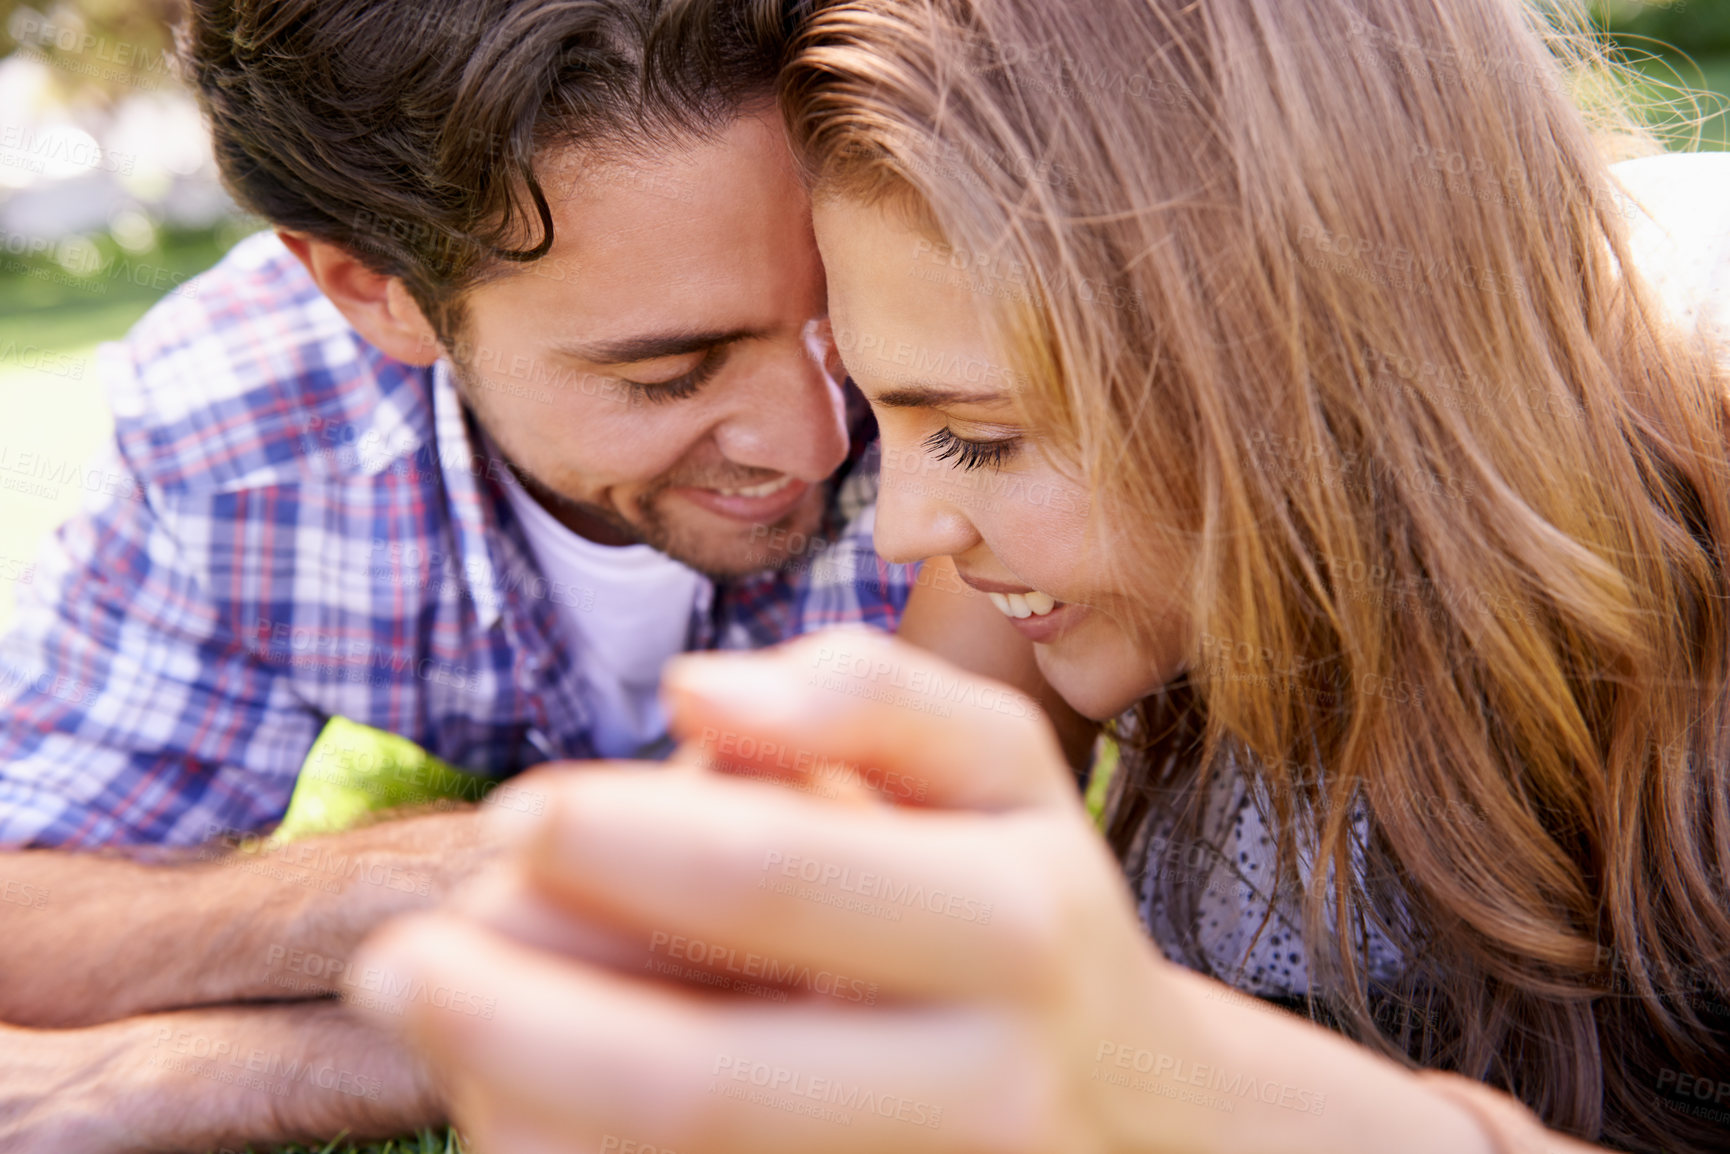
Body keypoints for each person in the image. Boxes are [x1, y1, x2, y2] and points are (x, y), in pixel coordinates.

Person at [352, 0, 1730, 1152]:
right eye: (882, 407)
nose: (898, 531)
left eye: (980, 435)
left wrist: (1218, 1091)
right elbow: (845, 961)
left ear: (1308, 364)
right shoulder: (1122, 600)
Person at [0, 1, 1075, 1150]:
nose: (816, 440)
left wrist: (231, 1060)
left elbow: (898, 932)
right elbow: (27, 898)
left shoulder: (967, 356)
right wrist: (374, 896)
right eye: (670, 373)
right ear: (375, 290)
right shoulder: (243, 427)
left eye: (836, 319)